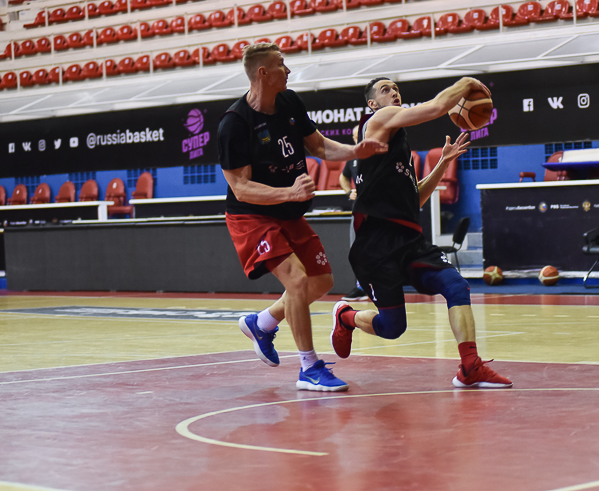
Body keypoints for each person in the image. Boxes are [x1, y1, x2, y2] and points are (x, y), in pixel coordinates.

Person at [217, 43, 387, 392]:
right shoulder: (234, 123)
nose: (288, 70)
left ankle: (263, 323)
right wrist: (289, 192)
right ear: (263, 73)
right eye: (281, 64)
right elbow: (241, 188)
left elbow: (319, 145)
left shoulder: (290, 102)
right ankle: (309, 367)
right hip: (251, 215)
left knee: (321, 281)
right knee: (296, 280)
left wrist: (355, 151)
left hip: (287, 210)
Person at [330, 77, 512, 389]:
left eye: (396, 88)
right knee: (392, 327)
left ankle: (470, 367)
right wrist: (466, 82)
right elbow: (437, 106)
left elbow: (414, 199)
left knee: (456, 285)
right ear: (372, 104)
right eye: (385, 89)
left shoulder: (398, 143)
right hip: (376, 245)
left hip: (409, 241)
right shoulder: (379, 119)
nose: (394, 92)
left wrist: (442, 163)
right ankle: (346, 316)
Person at [339, 125, 368, 302]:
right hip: (359, 209)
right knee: (356, 248)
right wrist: (349, 191)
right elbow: (343, 177)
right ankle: (361, 287)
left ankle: (379, 285)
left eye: (360, 135)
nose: (357, 138)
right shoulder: (353, 157)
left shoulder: (378, 154)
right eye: (355, 136)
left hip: (379, 209)